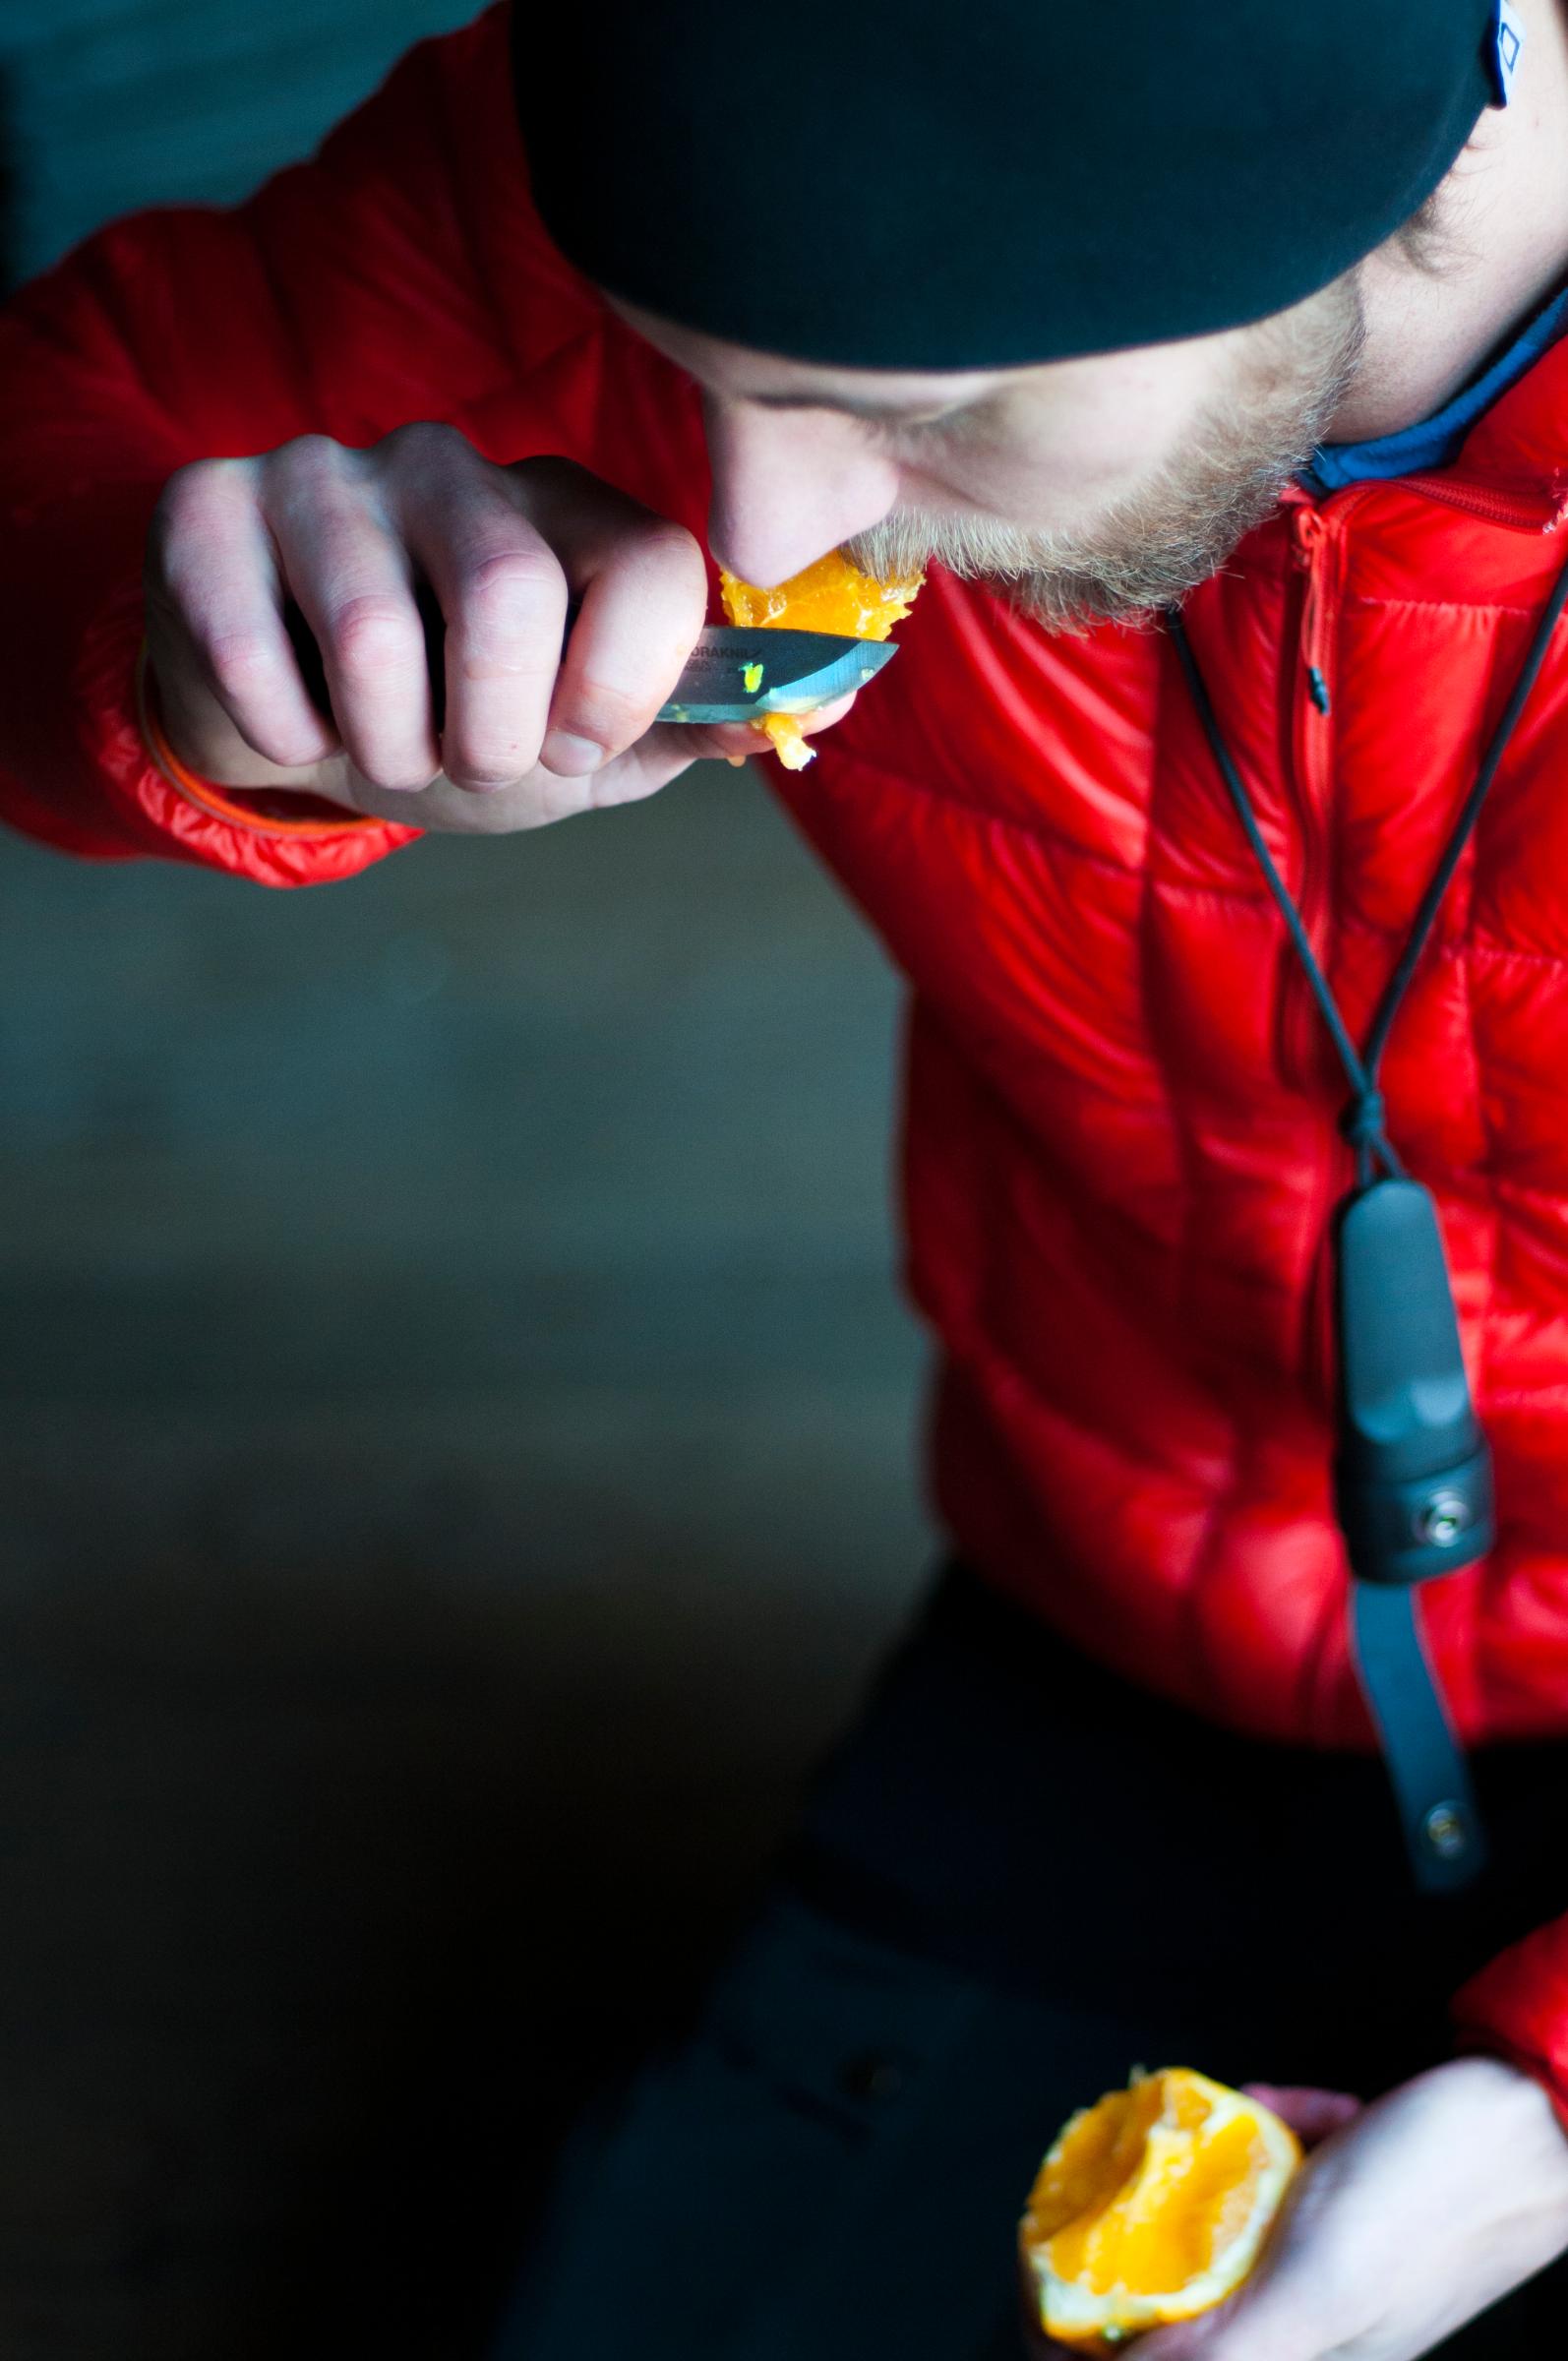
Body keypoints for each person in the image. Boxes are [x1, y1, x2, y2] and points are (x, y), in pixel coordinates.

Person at [5, 0, 1568, 2351]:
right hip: (1111, 1592)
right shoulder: (657, 136)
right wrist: (201, 668)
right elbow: (55, 438)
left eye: (915, 408)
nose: (746, 528)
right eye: (679, 368)